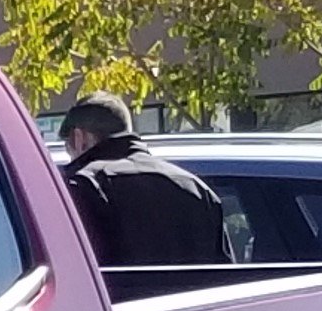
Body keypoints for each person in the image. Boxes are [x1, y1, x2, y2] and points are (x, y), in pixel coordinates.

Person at [60, 92, 230, 267]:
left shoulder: (83, 188)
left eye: (68, 146)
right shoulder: (199, 190)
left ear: (79, 139)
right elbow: (225, 277)